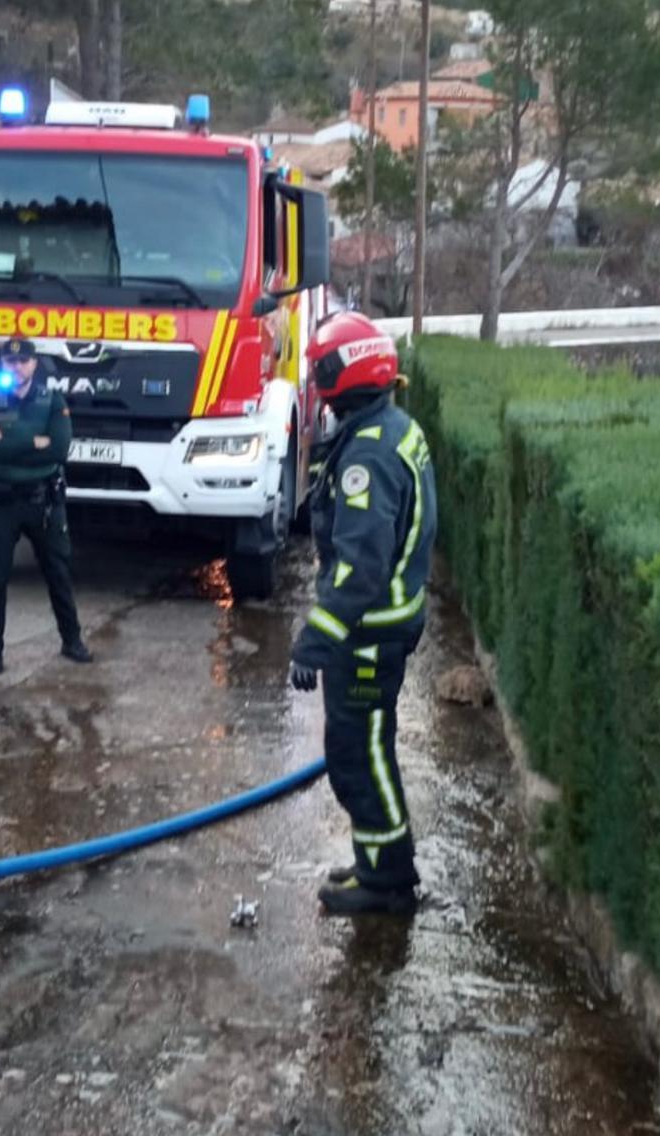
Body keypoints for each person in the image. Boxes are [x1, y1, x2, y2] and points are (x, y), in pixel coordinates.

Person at [289, 311, 437, 916]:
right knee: (364, 748)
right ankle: (378, 862)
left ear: (342, 375)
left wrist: (314, 640)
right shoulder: (392, 428)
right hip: (385, 625)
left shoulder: (368, 459)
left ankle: (388, 883)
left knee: (360, 754)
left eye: (321, 371)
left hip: (370, 632)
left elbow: (360, 568)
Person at [0, 337, 92, 678]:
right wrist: (34, 441)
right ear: (3, 366)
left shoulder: (51, 400)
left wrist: (7, 440)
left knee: (59, 573)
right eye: (11, 363)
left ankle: (72, 641)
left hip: (43, 504)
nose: (17, 367)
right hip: (0, 503)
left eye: (24, 361)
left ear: (34, 364)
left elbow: (59, 449)